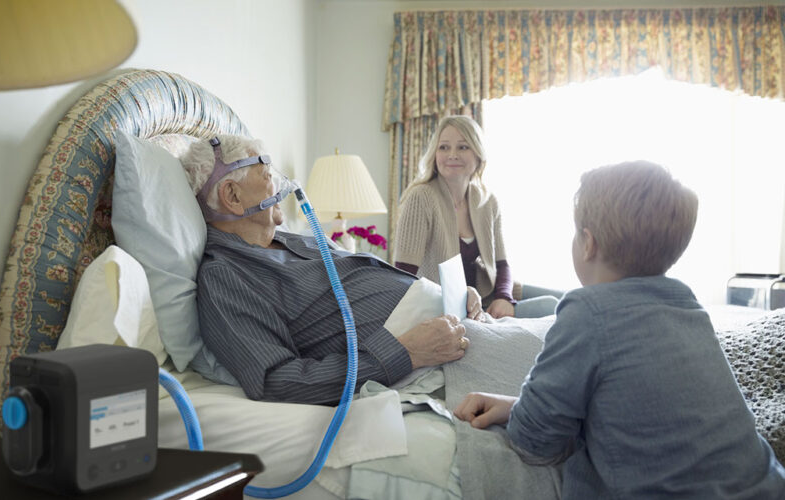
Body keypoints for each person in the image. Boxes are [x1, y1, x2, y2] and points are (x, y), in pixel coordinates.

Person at [453, 161, 785, 498]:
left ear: (587, 243)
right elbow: (635, 400)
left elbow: (535, 440)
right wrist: (517, 405)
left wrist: (524, 416)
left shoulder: (584, 312)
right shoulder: (687, 303)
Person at [180, 134, 484, 405]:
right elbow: (279, 381)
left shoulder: (295, 241)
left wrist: (454, 296)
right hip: (438, 362)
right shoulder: (225, 276)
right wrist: (406, 352)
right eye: (267, 174)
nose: (282, 184)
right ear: (233, 196)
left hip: (458, 329)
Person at [392, 115, 559, 319]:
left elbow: (501, 264)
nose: (452, 154)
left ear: (479, 155)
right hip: (449, 304)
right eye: (444, 147)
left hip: (487, 294)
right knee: (551, 308)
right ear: (435, 154)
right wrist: (461, 298)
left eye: (463, 147)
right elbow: (403, 277)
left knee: (566, 299)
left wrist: (504, 298)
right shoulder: (421, 197)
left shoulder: (488, 201)